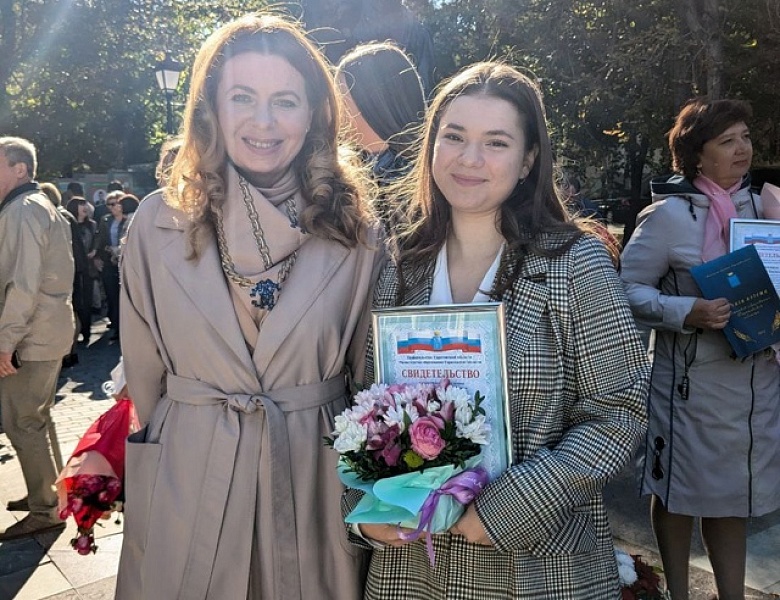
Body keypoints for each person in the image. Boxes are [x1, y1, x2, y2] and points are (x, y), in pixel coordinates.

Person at [349, 62, 650, 599]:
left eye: (496, 142)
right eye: (454, 137)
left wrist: (506, 509)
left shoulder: (573, 263)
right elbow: (360, 405)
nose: (470, 158)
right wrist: (365, 512)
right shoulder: (396, 265)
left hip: (538, 567)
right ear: (431, 145)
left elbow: (620, 413)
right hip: (412, 569)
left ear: (528, 158)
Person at [115, 13, 383, 600]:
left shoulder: (357, 231)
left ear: (314, 113)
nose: (263, 122)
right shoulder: (157, 223)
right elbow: (145, 372)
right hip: (191, 468)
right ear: (210, 108)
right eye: (242, 97)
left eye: (285, 101)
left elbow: (368, 377)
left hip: (312, 476)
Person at [620, 98, 780, 600]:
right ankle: (678, 593)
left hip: (758, 386)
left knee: (734, 498)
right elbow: (623, 290)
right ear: (696, 155)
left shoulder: (768, 209)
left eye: (745, 137)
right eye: (727, 140)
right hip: (690, 392)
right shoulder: (669, 216)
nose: (742, 148)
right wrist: (686, 310)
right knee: (677, 493)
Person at [0, 137, 74, 540]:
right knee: (37, 419)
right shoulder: (39, 205)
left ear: (19, 170)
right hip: (46, 330)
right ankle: (50, 496)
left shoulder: (23, 209)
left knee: (23, 422)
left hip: (30, 336)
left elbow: (22, 284)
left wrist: (5, 342)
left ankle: (46, 508)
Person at [92, 189, 127, 340]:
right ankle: (116, 325)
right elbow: (100, 239)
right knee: (111, 295)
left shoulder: (129, 219)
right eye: (109, 205)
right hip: (109, 262)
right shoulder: (106, 220)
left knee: (123, 296)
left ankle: (123, 328)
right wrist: (98, 255)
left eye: (114, 204)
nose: (111, 207)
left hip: (124, 262)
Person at [65, 195, 98, 346]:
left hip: (88, 268)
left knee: (87, 300)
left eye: (85, 204)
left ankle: (86, 331)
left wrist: (95, 251)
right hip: (72, 268)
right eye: (81, 204)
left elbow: (97, 241)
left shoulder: (92, 225)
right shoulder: (67, 224)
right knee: (74, 302)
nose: (85, 207)